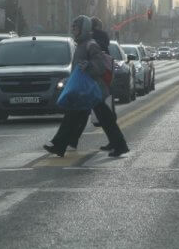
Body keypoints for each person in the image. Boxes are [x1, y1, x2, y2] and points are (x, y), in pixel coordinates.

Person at [45, 15, 128, 158]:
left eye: (76, 28)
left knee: (103, 119)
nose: (73, 30)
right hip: (85, 89)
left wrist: (89, 66)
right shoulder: (82, 44)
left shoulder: (91, 44)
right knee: (74, 116)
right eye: (73, 28)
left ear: (84, 29)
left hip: (92, 89)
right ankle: (59, 145)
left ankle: (119, 145)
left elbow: (100, 65)